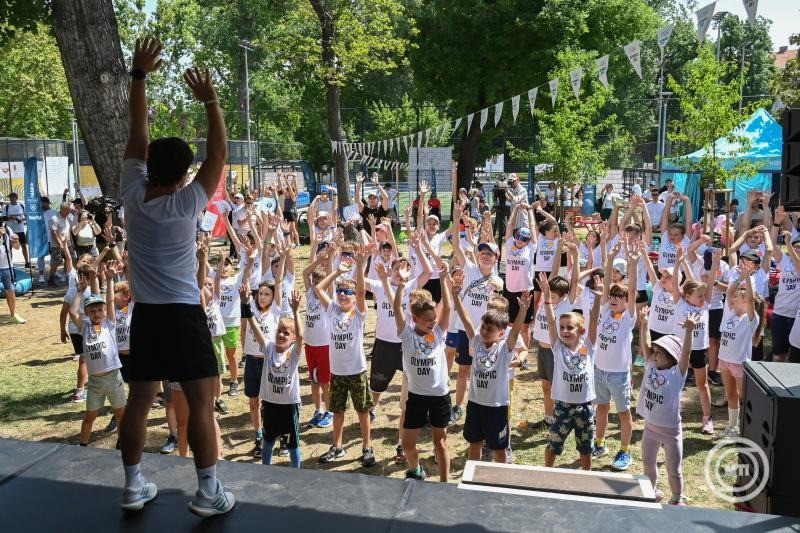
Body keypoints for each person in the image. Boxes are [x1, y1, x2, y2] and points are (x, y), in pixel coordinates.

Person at [117, 37, 234, 515]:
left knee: (140, 401)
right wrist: (209, 99)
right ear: (186, 173)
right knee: (201, 405)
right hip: (184, 316)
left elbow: (138, 132)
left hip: (146, 315)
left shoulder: (130, 192)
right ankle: (208, 493)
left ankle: (131, 486)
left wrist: (139, 75)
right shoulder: (187, 203)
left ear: (149, 167)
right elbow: (219, 152)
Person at [452, 271, 529, 464]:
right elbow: (466, 319)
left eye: (490, 330)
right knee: (475, 444)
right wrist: (455, 296)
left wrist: (523, 311)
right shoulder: (477, 341)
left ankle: (499, 482)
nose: (485, 332)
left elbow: (517, 331)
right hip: (476, 404)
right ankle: (472, 478)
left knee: (499, 448)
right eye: (484, 327)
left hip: (497, 407)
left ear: (501, 332)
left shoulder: (504, 349)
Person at [315, 245, 376, 466]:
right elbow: (320, 288)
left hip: (357, 371)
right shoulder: (331, 309)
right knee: (337, 410)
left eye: (346, 292)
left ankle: (367, 446)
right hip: (337, 372)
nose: (342, 294)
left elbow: (361, 291)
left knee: (362, 411)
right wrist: (338, 272)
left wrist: (359, 265)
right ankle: (338, 446)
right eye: (340, 291)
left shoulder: (358, 313)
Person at [394, 268, 452, 481]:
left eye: (434, 319)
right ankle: (416, 470)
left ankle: (444, 482)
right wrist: (401, 284)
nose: (433, 322)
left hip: (439, 396)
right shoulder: (407, 335)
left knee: (440, 443)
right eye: (428, 320)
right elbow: (396, 309)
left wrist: (444, 281)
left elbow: (447, 310)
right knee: (408, 444)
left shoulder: (438, 332)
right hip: (417, 397)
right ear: (415, 318)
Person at [637, 307, 700, 505]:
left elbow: (687, 352)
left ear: (672, 358)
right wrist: (644, 323)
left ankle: (676, 498)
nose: (654, 355)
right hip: (650, 428)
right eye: (654, 352)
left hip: (671, 432)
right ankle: (651, 492)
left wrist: (689, 331)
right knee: (648, 465)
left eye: (659, 353)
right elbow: (646, 344)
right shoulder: (650, 365)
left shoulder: (676, 375)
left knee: (674, 470)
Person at [540, 272, 601, 470]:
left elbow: (593, 321)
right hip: (563, 407)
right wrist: (548, 299)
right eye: (562, 328)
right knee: (554, 444)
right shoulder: (557, 347)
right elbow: (550, 322)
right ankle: (546, 472)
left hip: (585, 407)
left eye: (570, 328)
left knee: (585, 448)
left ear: (581, 332)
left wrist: (598, 297)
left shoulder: (589, 346)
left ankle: (586, 475)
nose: (565, 331)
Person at [448, 221, 504, 425]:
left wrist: (497, 284)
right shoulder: (470, 268)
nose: (485, 256)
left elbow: (499, 285)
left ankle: (482, 404)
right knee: (463, 370)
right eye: (483, 253)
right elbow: (455, 246)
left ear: (496, 258)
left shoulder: (498, 279)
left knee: (483, 371)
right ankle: (458, 406)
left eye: (490, 254)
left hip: (486, 334)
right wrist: (456, 217)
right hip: (465, 329)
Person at [592, 243, 639, 471]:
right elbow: (608, 281)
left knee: (623, 413)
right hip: (599, 371)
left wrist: (633, 264)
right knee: (601, 408)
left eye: (618, 297)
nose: (614, 299)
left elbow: (631, 290)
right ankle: (599, 444)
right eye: (612, 296)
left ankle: (624, 451)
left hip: (619, 375)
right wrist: (609, 258)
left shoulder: (627, 318)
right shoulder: (604, 311)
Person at [68, 263, 125, 447]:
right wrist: (79, 292)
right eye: (92, 311)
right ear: (87, 313)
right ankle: (83, 444)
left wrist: (108, 280)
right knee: (89, 416)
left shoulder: (109, 323)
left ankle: (122, 442)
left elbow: (108, 302)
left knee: (120, 414)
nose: (97, 313)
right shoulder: (84, 327)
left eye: (99, 310)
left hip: (113, 377)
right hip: (94, 382)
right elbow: (72, 311)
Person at [246, 289, 304, 467]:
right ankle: (266, 469)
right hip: (270, 404)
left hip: (288, 405)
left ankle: (297, 473)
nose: (281, 335)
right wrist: (246, 308)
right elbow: (255, 328)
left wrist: (295, 310)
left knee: (292, 444)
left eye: (286, 333)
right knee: (268, 440)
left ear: (292, 339)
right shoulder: (268, 347)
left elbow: (302, 336)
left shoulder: (293, 354)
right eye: (279, 330)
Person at [671, 246, 717, 435]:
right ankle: (671, 416)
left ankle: (707, 419)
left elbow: (711, 283)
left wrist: (714, 265)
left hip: (698, 349)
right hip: (678, 349)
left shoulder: (705, 304)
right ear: (687, 295)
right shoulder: (679, 301)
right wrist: (677, 263)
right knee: (674, 384)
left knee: (702, 384)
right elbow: (676, 282)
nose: (703, 298)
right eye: (699, 295)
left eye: (703, 295)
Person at [718, 272, 763, 438]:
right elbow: (729, 292)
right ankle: (733, 427)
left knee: (745, 398)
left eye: (738, 296)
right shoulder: (730, 314)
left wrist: (748, 280)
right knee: (731, 394)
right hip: (724, 361)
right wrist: (740, 277)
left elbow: (751, 299)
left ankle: (751, 428)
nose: (733, 298)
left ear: (746, 302)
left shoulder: (750, 319)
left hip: (739, 364)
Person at [0, 221, 25, 323]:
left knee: (10, 291)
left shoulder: (7, 228)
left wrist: (16, 240)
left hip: (7, 267)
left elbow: (17, 247)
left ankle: (13, 315)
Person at [47, 202, 72, 287]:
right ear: (62, 209)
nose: (68, 212)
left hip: (67, 244)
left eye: (69, 210)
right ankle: (51, 279)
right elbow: (53, 232)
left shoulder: (68, 218)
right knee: (56, 262)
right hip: (56, 245)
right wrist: (60, 243)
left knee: (71, 259)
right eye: (67, 211)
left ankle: (67, 276)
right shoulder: (54, 218)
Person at [4, 191, 29, 268]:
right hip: (10, 230)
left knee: (24, 246)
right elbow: (3, 218)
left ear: (16, 198)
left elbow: (27, 216)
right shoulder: (6, 207)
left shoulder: (22, 206)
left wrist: (22, 220)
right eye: (10, 197)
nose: (11, 199)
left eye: (12, 197)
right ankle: (10, 264)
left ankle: (27, 262)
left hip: (20, 230)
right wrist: (11, 217)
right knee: (9, 247)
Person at [37, 196, 57, 284]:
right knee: (41, 257)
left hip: (52, 239)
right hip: (42, 239)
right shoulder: (38, 213)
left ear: (48, 203)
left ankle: (53, 273)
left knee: (54, 258)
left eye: (43, 204)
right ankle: (41, 275)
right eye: (40, 204)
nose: (42, 206)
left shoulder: (54, 213)